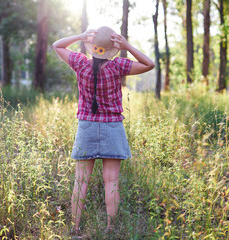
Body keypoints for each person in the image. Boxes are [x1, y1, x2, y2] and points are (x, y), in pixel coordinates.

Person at [52, 26, 154, 236]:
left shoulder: (80, 63)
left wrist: (81, 36)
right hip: (112, 127)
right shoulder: (118, 67)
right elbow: (149, 64)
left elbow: (57, 45)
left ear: (92, 47)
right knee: (112, 181)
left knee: (81, 181)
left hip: (86, 126)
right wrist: (127, 46)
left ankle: (75, 227)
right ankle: (110, 229)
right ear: (112, 50)